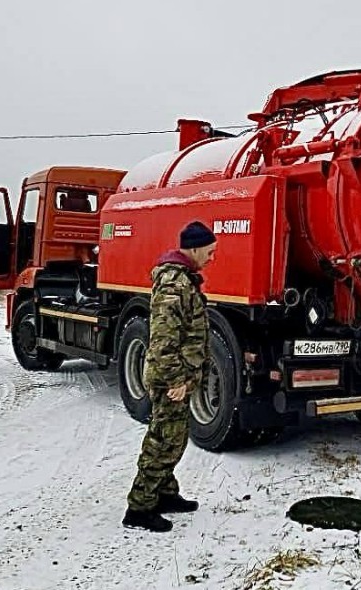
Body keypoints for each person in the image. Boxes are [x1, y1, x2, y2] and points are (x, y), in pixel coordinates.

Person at [123, 221, 217, 533]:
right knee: (162, 441)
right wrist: (177, 379)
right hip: (169, 379)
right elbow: (163, 340)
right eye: (210, 251)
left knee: (173, 438)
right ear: (194, 248)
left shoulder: (184, 280)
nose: (212, 257)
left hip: (176, 377)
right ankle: (140, 507)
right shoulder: (175, 284)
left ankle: (164, 494)